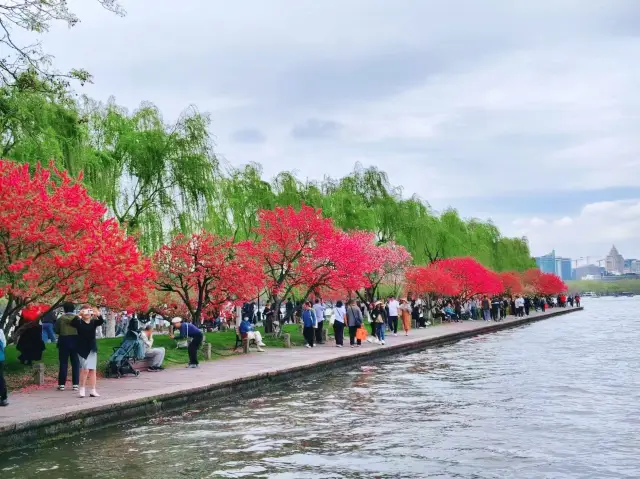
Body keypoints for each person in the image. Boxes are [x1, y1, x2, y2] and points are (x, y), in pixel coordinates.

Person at [71, 307, 105, 398]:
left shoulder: (93, 322)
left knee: (92, 369)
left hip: (92, 348)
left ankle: (93, 390)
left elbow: (101, 321)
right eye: (85, 312)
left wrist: (98, 314)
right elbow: (72, 323)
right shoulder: (79, 322)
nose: (87, 313)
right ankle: (82, 389)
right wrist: (78, 314)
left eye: (89, 311)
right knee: (85, 369)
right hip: (82, 348)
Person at [55, 302, 80, 391]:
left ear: (64, 309)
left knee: (63, 362)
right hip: (75, 340)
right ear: (73, 309)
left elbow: (56, 330)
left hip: (63, 341)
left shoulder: (60, 319)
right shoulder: (77, 318)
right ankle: (75, 384)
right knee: (76, 362)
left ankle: (62, 384)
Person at [0, 328, 8, 406]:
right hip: (0, 358)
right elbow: (4, 344)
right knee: (0, 378)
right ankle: (3, 398)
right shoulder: (1, 331)